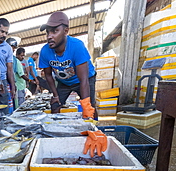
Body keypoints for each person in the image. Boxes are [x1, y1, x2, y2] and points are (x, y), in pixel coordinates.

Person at [38, 11, 106, 156]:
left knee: (90, 108)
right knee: (55, 105)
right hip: (63, 82)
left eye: (55, 31)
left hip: (85, 79)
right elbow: (48, 75)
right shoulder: (45, 51)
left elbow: (84, 80)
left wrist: (86, 105)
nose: (50, 36)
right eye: (48, 32)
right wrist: (55, 95)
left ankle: (96, 131)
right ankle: (55, 136)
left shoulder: (77, 47)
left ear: (66, 31)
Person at [6, 41, 33, 107]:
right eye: (21, 55)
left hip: (21, 85)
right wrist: (30, 80)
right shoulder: (15, 61)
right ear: (17, 54)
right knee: (20, 104)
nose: (22, 57)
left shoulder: (15, 60)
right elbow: (22, 75)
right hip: (18, 86)